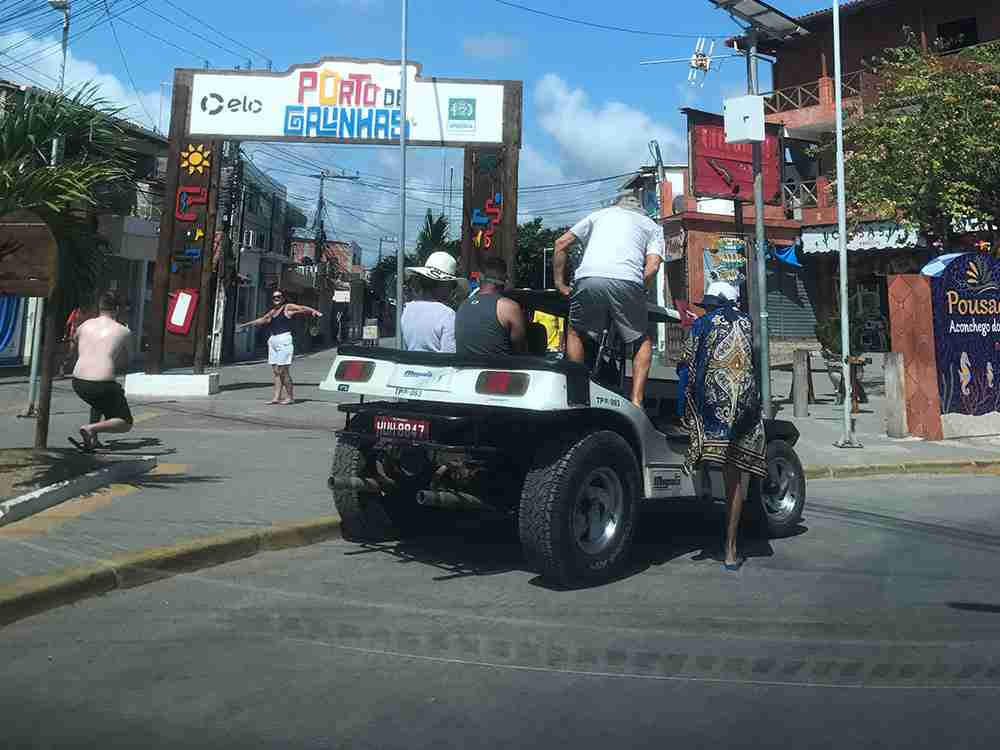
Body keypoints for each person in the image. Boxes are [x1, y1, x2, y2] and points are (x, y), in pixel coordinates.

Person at [680, 281, 767, 572]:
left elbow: (687, 368)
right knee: (734, 481)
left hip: (713, 412)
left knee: (702, 455)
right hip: (745, 411)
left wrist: (683, 407)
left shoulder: (702, 324)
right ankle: (730, 552)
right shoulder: (748, 321)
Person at [553, 192, 665, 408]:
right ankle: (636, 400)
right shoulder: (651, 226)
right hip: (628, 279)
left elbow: (561, 243)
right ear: (640, 210)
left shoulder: (599, 215)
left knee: (575, 330)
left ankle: (578, 391)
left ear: (617, 206)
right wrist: (638, 288)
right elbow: (652, 267)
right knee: (641, 339)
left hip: (588, 277)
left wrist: (560, 284)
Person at [69, 292, 133, 452]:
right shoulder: (123, 331)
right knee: (125, 422)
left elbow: (74, 342)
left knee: (98, 401)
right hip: (102, 383)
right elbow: (126, 360)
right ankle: (91, 429)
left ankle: (92, 440)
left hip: (77, 382)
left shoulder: (85, 325)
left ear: (100, 307)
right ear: (117, 309)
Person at [237, 289, 322, 405]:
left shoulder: (287, 307)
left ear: (283, 298)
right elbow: (262, 319)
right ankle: (276, 397)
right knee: (276, 372)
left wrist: (314, 311)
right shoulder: (272, 312)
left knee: (283, 371)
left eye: (279, 297)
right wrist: (245, 325)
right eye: (274, 297)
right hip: (273, 341)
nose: (276, 299)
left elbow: (301, 308)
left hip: (284, 340)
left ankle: (290, 397)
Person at [455, 256, 526, 357]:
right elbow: (520, 351)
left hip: (464, 371)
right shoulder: (509, 308)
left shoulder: (463, 305)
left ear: (479, 279)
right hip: (498, 370)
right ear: (506, 279)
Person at [400, 251, 458, 353]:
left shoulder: (407, 310)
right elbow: (449, 357)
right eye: (453, 285)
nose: (452, 290)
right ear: (443, 285)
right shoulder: (448, 315)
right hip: (436, 368)